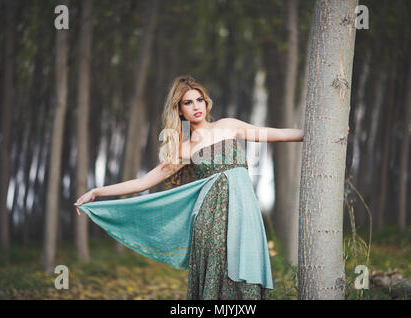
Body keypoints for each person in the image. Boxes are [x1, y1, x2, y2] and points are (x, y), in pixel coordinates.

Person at [74, 75, 305, 300]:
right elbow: (142, 183)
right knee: (220, 279)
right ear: (179, 110)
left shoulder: (228, 125)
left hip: (245, 215)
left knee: (247, 276)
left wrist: (316, 133)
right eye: (188, 102)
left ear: (206, 102)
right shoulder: (183, 149)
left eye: (199, 100)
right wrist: (96, 192)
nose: (195, 106)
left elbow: (280, 134)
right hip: (210, 222)